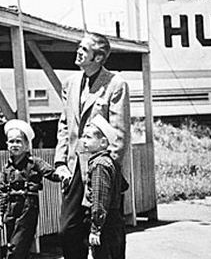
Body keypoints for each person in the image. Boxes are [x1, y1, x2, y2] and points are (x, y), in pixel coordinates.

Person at [54, 33, 131, 259]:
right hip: (73, 169)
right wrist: (60, 162)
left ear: (98, 57)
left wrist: (108, 172)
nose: (78, 52)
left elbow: (119, 134)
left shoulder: (115, 84)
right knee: (67, 231)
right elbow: (64, 125)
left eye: (84, 49)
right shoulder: (70, 83)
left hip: (100, 171)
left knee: (104, 235)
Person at [0, 119, 61, 259]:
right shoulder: (6, 168)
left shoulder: (35, 163)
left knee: (17, 246)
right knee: (16, 245)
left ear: (27, 145)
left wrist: (64, 175)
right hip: (10, 208)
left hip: (27, 207)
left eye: (19, 141)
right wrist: (0, 214)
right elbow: (1, 192)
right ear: (7, 144)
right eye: (11, 141)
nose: (15, 145)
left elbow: (50, 173)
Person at [82, 115, 129, 259]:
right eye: (84, 136)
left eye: (89, 137)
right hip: (115, 220)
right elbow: (123, 186)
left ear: (103, 142)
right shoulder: (111, 161)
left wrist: (96, 228)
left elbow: (99, 199)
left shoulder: (99, 165)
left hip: (105, 224)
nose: (84, 141)